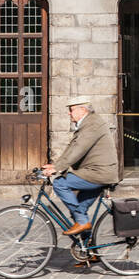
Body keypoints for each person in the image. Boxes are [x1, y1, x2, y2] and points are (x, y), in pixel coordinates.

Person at [42, 98, 119, 264]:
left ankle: (83, 223)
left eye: (71, 110)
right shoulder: (86, 124)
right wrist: (56, 165)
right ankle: (90, 251)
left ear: (82, 109)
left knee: (60, 183)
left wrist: (58, 169)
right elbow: (72, 148)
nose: (69, 113)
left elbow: (78, 149)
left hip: (99, 173)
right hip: (93, 172)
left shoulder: (92, 124)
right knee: (79, 208)